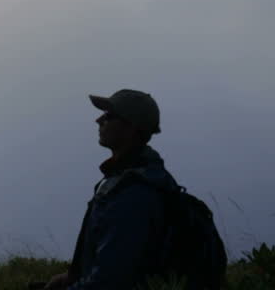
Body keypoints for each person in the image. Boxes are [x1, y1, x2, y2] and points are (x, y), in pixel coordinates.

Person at [44, 89, 180, 290]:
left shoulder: (135, 194)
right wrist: (68, 278)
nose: (99, 120)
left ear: (131, 127)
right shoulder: (131, 179)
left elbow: (108, 281)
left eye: (109, 116)